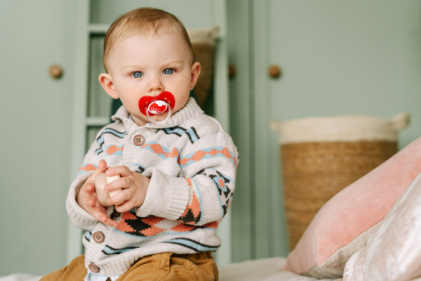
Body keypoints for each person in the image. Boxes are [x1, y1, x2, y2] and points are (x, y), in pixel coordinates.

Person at [41, 7, 238, 281]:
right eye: (136, 75)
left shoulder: (203, 133)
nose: (155, 85)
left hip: (174, 259)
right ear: (111, 86)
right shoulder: (108, 137)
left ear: (192, 76)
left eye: (169, 70)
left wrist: (149, 191)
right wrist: (88, 196)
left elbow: (216, 197)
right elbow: (85, 190)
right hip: (103, 259)